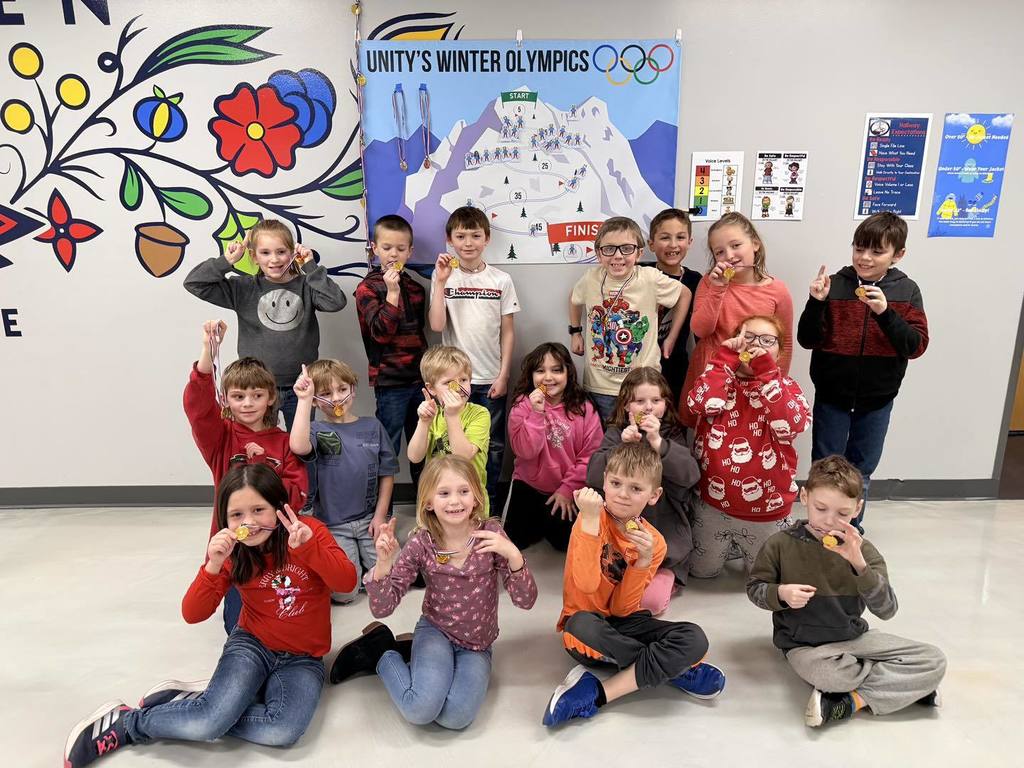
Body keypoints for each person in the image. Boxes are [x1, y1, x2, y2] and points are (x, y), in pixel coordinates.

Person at [62, 465, 356, 767]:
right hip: (253, 646)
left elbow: (347, 584)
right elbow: (192, 613)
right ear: (224, 520)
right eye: (237, 515)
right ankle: (128, 723)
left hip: (303, 659)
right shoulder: (231, 551)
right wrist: (213, 565)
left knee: (282, 731)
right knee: (209, 723)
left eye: (259, 510)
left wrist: (310, 548)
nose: (250, 523)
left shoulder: (309, 533)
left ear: (280, 509)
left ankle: (201, 706)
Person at [329, 455, 537, 730]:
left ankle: (413, 652)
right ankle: (381, 650)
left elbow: (526, 601)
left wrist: (512, 553)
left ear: (476, 496)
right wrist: (383, 563)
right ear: (428, 502)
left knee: (455, 718)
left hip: (476, 645)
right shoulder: (421, 544)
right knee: (419, 709)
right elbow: (383, 607)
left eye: (464, 491)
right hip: (436, 632)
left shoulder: (491, 535)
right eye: (444, 493)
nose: (455, 501)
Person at [746, 455, 946, 727]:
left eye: (842, 514)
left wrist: (859, 565)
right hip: (804, 646)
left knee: (933, 660)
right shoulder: (780, 544)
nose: (829, 521)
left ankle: (851, 701)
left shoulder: (864, 551)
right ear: (804, 497)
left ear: (857, 508)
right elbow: (755, 588)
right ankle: (901, 688)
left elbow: (887, 610)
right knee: (831, 677)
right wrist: (781, 594)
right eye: (820, 508)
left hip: (854, 640)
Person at [543, 442, 725, 727]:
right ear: (604, 481)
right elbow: (588, 584)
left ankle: (599, 690)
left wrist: (643, 562)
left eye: (636, 489)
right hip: (587, 627)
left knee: (695, 637)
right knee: (579, 625)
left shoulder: (654, 541)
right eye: (615, 483)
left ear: (654, 495)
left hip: (624, 623)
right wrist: (589, 522)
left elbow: (623, 608)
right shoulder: (590, 519)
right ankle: (672, 670)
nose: (623, 495)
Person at [797, 212, 928, 531]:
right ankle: (818, 529)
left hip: (878, 400)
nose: (864, 258)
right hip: (832, 397)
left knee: (862, 470)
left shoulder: (907, 291)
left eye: (876, 251)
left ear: (898, 255)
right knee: (824, 467)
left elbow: (916, 345)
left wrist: (885, 313)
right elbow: (806, 339)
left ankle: (850, 531)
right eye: (859, 248)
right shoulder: (836, 284)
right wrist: (816, 303)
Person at [185, 319, 307, 632]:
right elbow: (197, 406)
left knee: (286, 622)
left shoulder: (283, 442)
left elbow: (298, 494)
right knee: (239, 629)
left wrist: (264, 464)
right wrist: (208, 351)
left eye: (256, 395)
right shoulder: (220, 437)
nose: (248, 403)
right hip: (236, 555)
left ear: (270, 397)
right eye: (238, 396)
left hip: (279, 551)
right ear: (225, 400)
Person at [184, 218, 347, 430]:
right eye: (265, 253)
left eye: (281, 251)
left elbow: (337, 302)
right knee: (256, 447)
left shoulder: (307, 286)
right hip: (256, 388)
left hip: (301, 386)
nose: (274, 259)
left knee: (302, 447)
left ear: (292, 253)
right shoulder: (243, 288)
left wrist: (310, 266)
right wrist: (226, 261)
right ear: (254, 256)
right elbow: (194, 283)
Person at [686, 315, 810, 578]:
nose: (757, 346)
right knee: (701, 572)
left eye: (767, 341)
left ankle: (744, 545)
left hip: (766, 512)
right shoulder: (719, 379)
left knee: (766, 577)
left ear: (779, 352)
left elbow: (792, 425)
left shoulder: (786, 387)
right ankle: (731, 544)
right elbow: (698, 404)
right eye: (749, 338)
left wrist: (767, 375)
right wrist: (722, 362)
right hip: (713, 506)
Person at [429, 206, 520, 513]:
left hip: (490, 378)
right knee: (450, 444)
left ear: (487, 238)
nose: (468, 243)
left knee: (492, 447)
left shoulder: (502, 279)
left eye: (475, 236)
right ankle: (454, 507)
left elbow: (507, 331)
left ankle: (488, 506)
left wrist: (504, 374)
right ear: (450, 240)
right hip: (452, 383)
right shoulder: (443, 275)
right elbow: (437, 325)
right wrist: (440, 283)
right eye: (461, 236)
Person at [587, 367, 699, 615]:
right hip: (618, 544)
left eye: (656, 400)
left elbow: (691, 475)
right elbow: (593, 476)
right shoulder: (616, 434)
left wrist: (658, 443)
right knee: (598, 592)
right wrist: (621, 447)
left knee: (649, 602)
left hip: (664, 542)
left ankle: (662, 580)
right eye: (639, 401)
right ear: (627, 406)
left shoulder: (671, 435)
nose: (648, 408)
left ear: (665, 405)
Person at [290, 359, 397, 604]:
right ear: (317, 400)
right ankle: (350, 566)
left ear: (353, 389)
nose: (337, 398)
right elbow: (298, 445)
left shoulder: (373, 426)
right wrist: (304, 400)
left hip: (371, 519)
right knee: (344, 594)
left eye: (342, 389)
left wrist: (380, 516)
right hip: (333, 524)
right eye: (326, 393)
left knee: (392, 581)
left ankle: (360, 562)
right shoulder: (315, 429)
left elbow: (387, 474)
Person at [678, 212, 793, 428]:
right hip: (713, 375)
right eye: (719, 251)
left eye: (736, 245)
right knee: (708, 442)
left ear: (755, 244)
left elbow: (784, 343)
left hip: (755, 379)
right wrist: (718, 288)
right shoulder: (709, 282)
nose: (729, 255)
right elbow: (700, 330)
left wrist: (775, 384)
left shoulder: (777, 291)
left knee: (747, 439)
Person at [570, 216, 688, 423]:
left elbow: (684, 294)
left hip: (643, 387)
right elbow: (574, 299)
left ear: (639, 253)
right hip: (600, 385)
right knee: (606, 444)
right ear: (598, 253)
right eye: (609, 249)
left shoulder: (650, 278)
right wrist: (575, 332)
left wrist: (671, 337)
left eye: (626, 248)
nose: (617, 256)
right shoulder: (591, 278)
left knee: (643, 442)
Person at [505, 342, 603, 551]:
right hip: (528, 485)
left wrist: (568, 489)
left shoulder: (584, 408)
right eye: (540, 371)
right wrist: (536, 413)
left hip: (566, 488)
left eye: (556, 370)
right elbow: (525, 452)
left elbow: (591, 456)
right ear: (531, 375)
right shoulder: (521, 406)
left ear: (568, 372)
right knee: (515, 542)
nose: (548, 377)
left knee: (563, 545)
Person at [355, 214, 428, 489]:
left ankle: (427, 507)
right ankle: (382, 511)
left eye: (400, 249)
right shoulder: (367, 288)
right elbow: (381, 333)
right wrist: (392, 292)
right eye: (386, 248)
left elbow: (419, 332)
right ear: (374, 248)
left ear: (410, 251)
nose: (393, 254)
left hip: (420, 381)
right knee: (387, 448)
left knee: (422, 446)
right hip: (390, 381)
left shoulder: (417, 289)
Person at [408, 345, 491, 514]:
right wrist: (423, 423)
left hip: (471, 500)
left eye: (463, 380)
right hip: (437, 498)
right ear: (431, 389)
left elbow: (463, 457)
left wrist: (452, 416)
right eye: (448, 383)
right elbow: (415, 457)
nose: (458, 388)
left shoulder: (480, 414)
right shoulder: (433, 415)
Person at [646, 208, 702, 406]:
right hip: (641, 368)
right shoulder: (640, 273)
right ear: (651, 244)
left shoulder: (696, 280)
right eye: (664, 238)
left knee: (673, 428)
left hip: (676, 368)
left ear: (689, 242)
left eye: (680, 237)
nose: (673, 245)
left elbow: (700, 334)